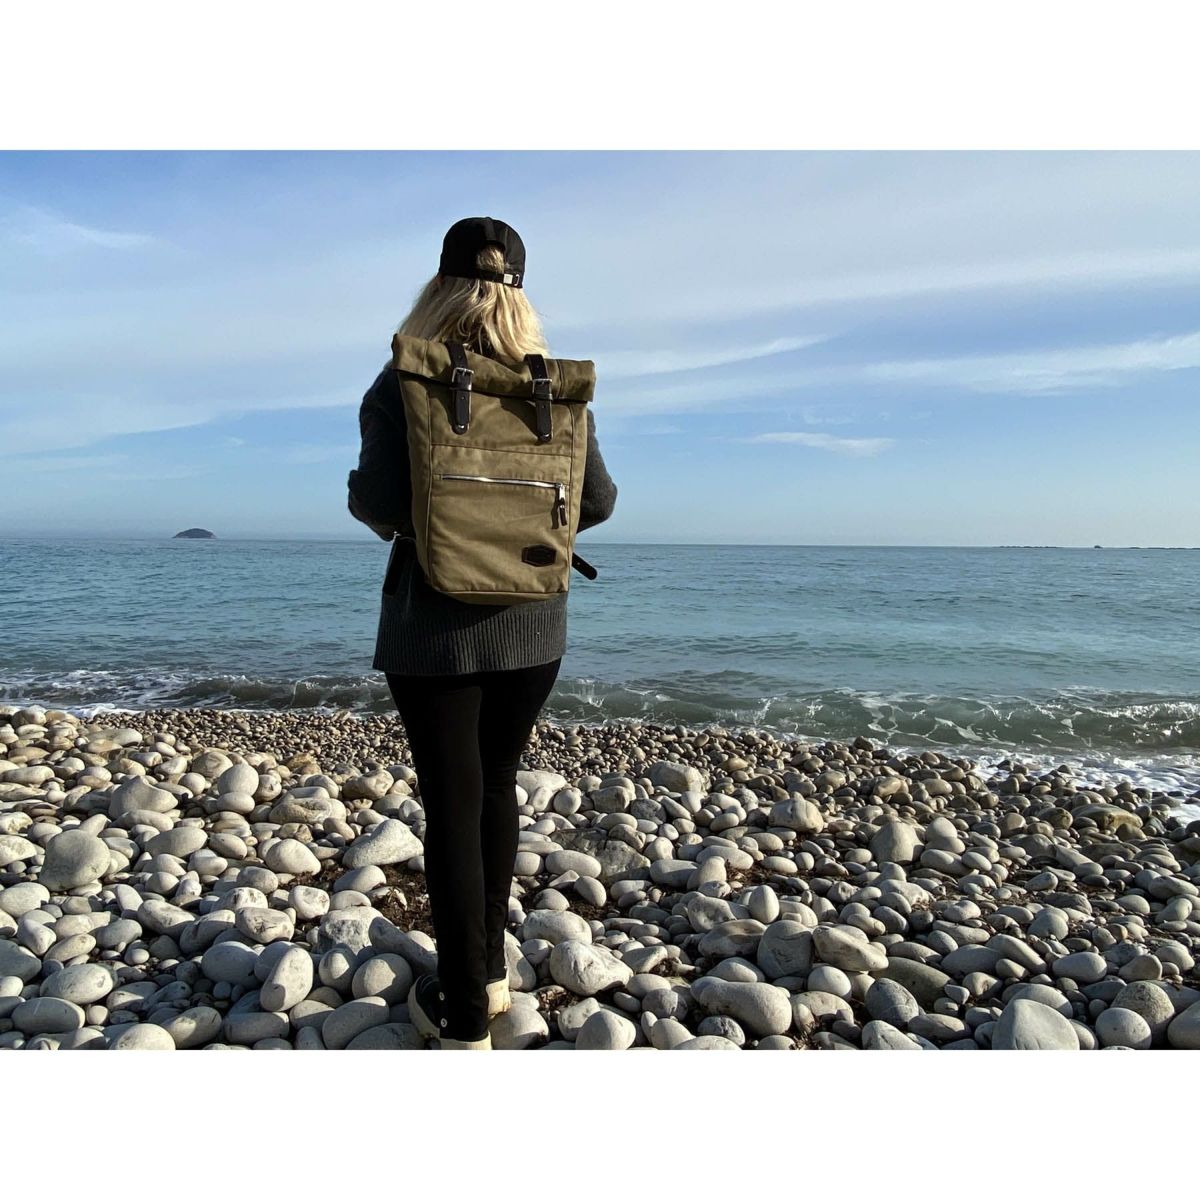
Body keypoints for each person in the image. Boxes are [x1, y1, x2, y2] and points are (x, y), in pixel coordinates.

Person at [346, 216, 618, 1049]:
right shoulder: (550, 390)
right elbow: (597, 503)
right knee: (496, 788)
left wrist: (403, 508)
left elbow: (380, 502)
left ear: (439, 287)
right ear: (521, 296)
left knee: (451, 805)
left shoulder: (404, 381)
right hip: (534, 625)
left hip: (432, 626)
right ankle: (489, 978)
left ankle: (464, 1018)